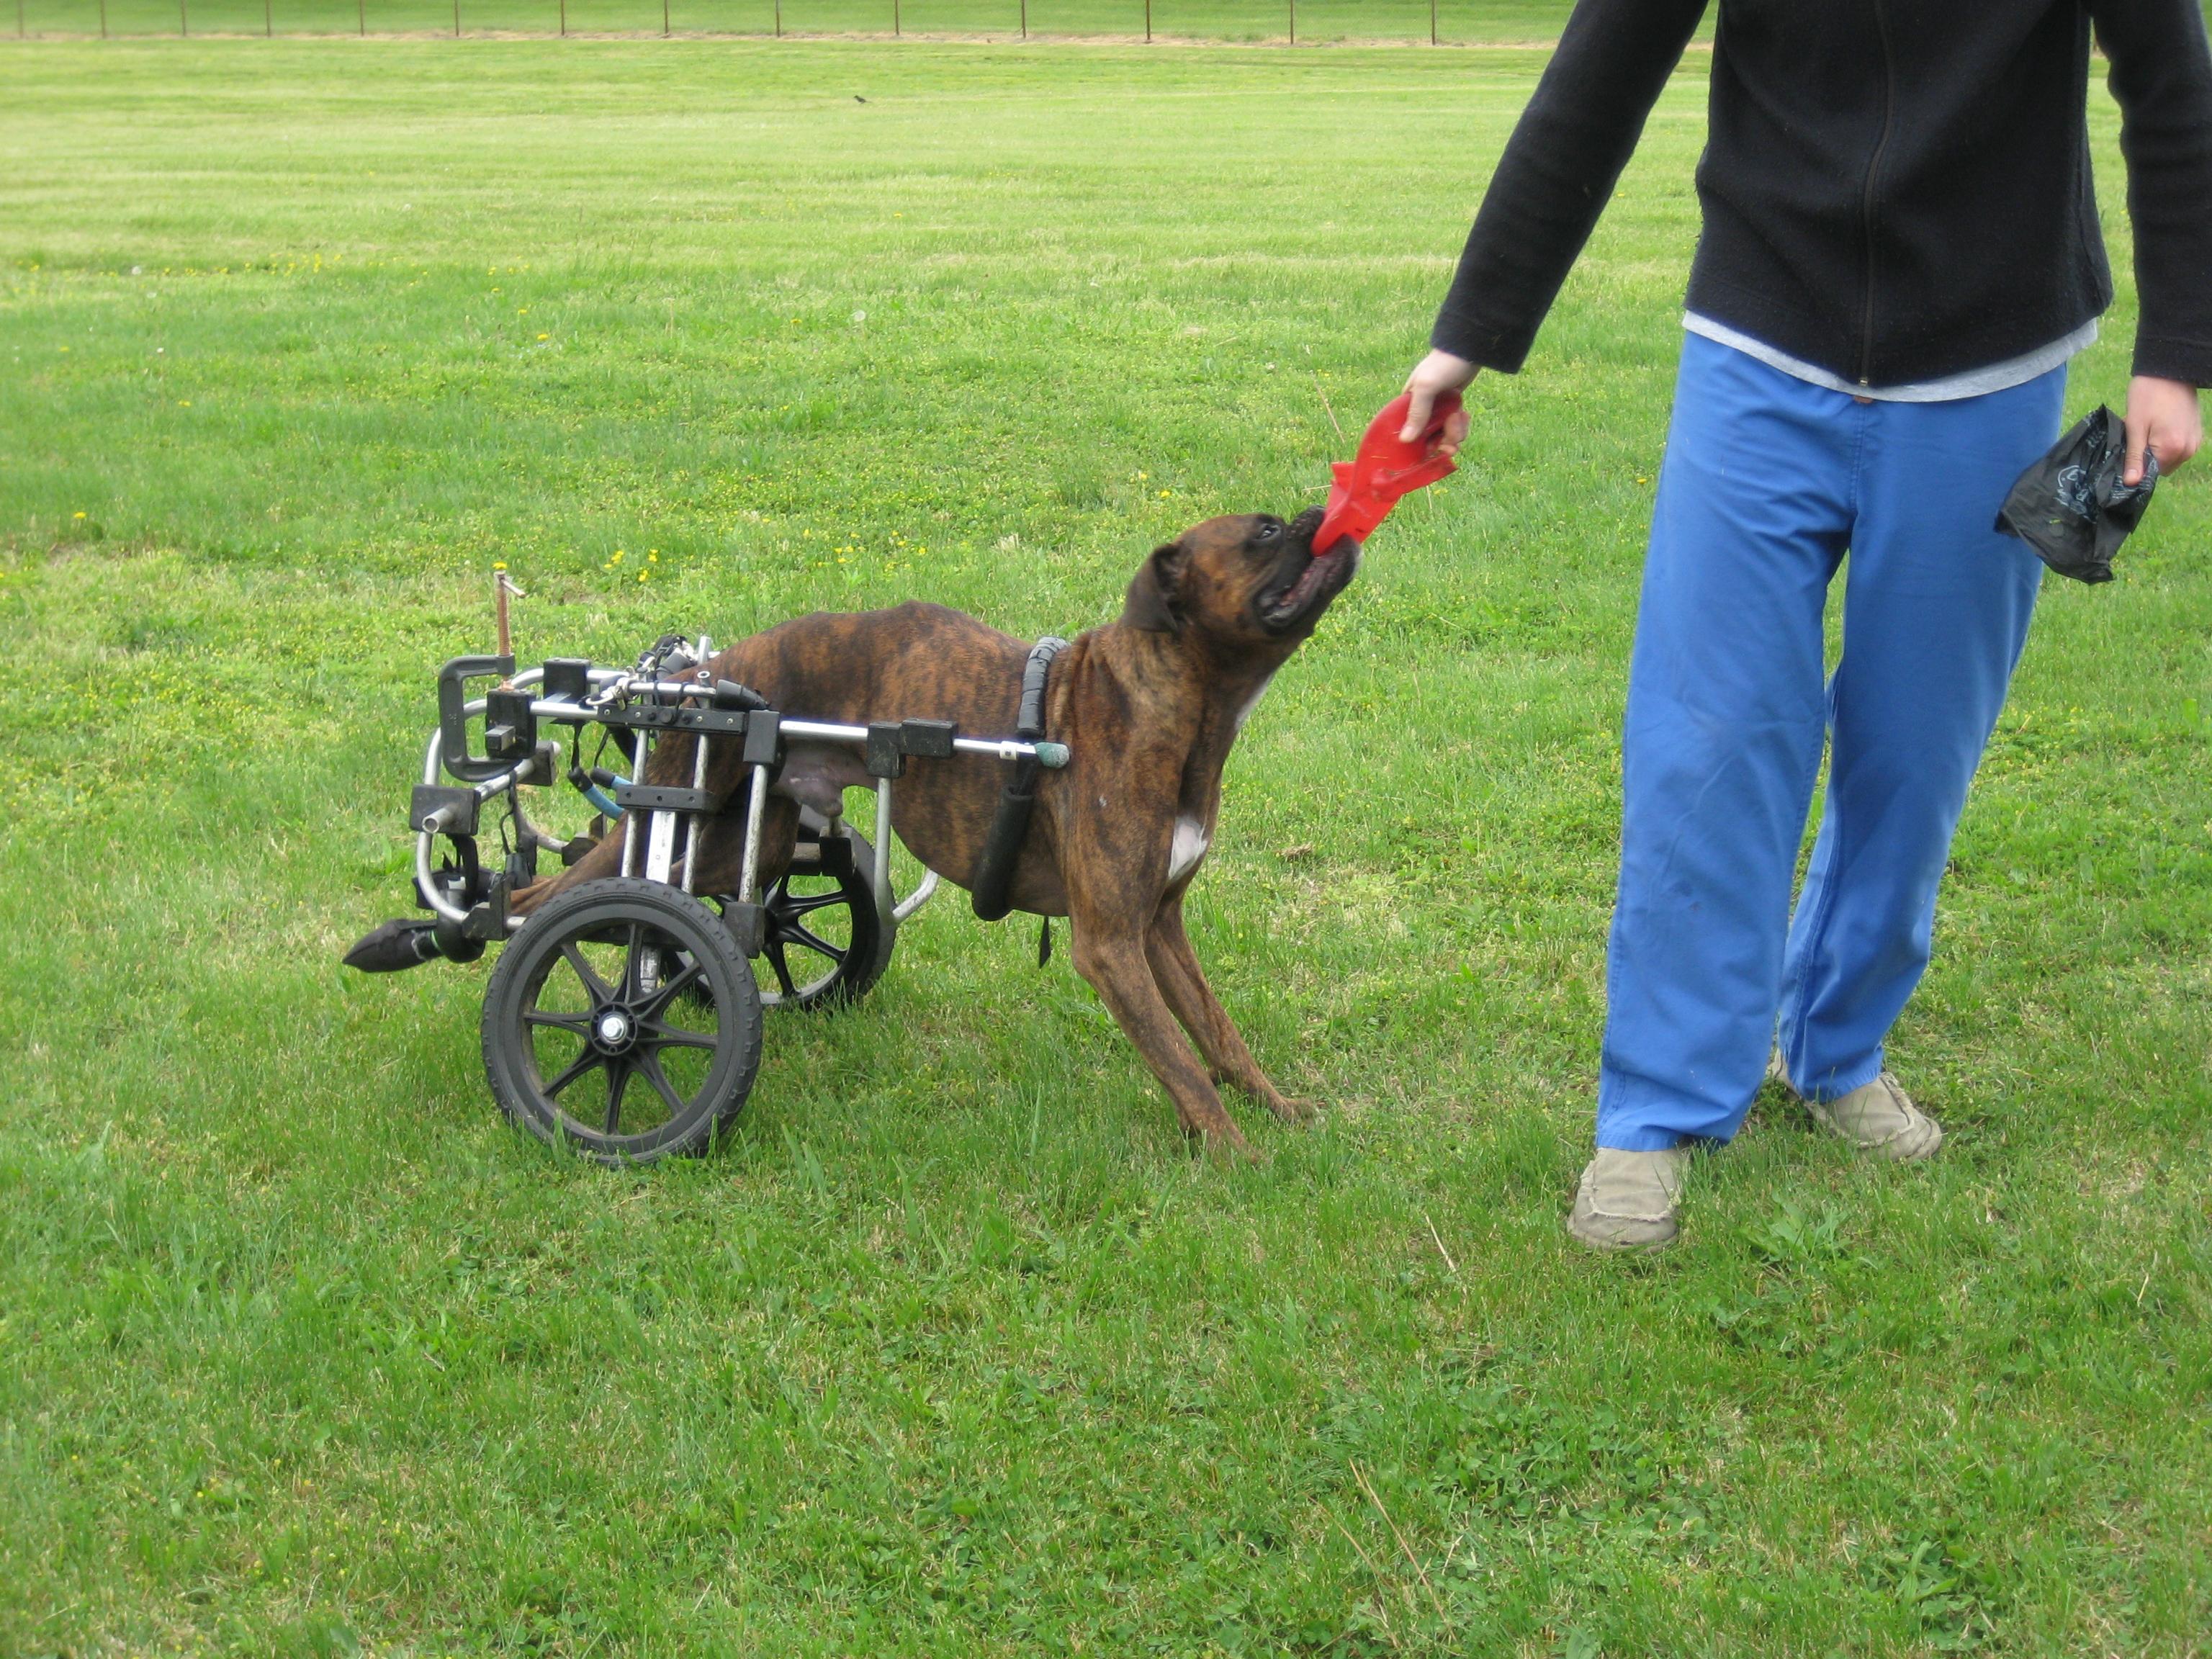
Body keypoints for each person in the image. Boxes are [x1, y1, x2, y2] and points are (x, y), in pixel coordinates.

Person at [1401, 0, 2211, 1250]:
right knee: (1707, 730)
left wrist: (2178, 351)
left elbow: (2171, 80)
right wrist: (1474, 334)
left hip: (1991, 361)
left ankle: (1835, 1049)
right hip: (1759, 342)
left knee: (1915, 748)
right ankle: (1657, 1109)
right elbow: (1597, 79)